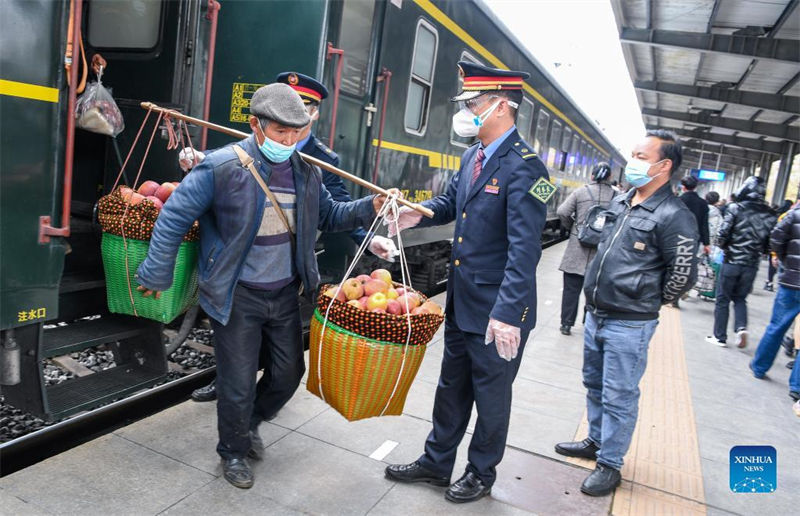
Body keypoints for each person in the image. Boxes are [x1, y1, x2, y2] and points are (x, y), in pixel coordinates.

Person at [135, 83, 396, 489]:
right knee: (237, 382)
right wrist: (156, 271)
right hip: (237, 293)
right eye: (280, 132)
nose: (288, 141)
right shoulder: (221, 167)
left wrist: (370, 206)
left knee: (289, 373)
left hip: (285, 292)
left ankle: (251, 421)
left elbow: (330, 215)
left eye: (296, 132)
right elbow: (174, 217)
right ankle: (233, 450)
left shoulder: (307, 172)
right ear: (255, 125)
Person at [382, 62, 551, 503]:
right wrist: (417, 214)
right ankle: (436, 463)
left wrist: (508, 314)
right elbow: (451, 202)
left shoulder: (528, 170)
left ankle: (480, 472)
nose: (466, 112)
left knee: (491, 396)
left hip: (498, 311)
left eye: (473, 104)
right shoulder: (473, 155)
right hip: (462, 301)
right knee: (451, 387)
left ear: (502, 106)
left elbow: (525, 250)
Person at [188, 72, 397, 403]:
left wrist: (368, 239)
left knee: (278, 348)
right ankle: (227, 385)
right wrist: (197, 158)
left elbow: (335, 209)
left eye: (304, 107)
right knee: (237, 335)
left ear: (314, 114)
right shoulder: (259, 136)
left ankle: (261, 399)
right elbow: (227, 158)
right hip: (243, 260)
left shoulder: (322, 160)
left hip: (287, 261)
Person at [554, 129, 699, 497]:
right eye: (633, 154)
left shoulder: (675, 214)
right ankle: (596, 440)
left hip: (630, 322)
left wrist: (647, 300)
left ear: (664, 166)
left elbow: (683, 275)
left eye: (641, 157)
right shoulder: (621, 202)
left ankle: (610, 463)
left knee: (619, 394)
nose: (632, 162)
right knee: (594, 383)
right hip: (596, 313)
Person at [705, 176, 776, 348]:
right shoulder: (771, 214)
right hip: (752, 264)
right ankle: (741, 328)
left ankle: (720, 336)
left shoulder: (736, 208)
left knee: (723, 298)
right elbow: (769, 245)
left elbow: (723, 234)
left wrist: (723, 247)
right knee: (740, 298)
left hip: (732, 261)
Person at [556, 162, 616, 335]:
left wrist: (574, 228)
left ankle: (566, 324)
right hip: (602, 251)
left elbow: (562, 212)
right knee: (595, 291)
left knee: (571, 290)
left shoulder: (581, 192)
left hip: (577, 248)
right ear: (610, 177)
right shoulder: (617, 197)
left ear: (592, 176)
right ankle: (587, 321)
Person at [751, 201, 800, 403]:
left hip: (791, 283)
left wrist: (786, 261)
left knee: (777, 326)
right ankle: (797, 386)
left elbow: (776, 237)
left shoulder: (794, 214)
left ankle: (759, 367)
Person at [764, 199, 793, 291]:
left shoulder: (782, 216)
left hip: (780, 249)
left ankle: (769, 282)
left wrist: (774, 252)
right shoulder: (789, 215)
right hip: (788, 251)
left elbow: (776, 235)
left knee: (773, 267)